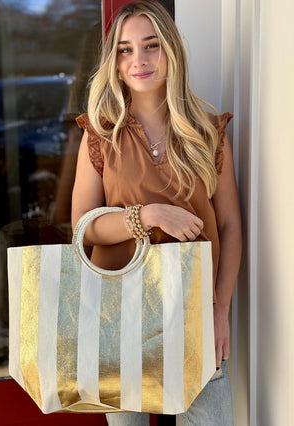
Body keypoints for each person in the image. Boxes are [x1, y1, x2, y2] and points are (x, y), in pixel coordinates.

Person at [71, 1, 242, 425]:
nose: (139, 60)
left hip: (194, 313)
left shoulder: (207, 131)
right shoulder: (100, 132)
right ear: (114, 61)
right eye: (125, 50)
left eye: (151, 45)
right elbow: (84, 227)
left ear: (171, 51)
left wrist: (220, 309)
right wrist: (147, 216)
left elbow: (230, 226)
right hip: (120, 312)